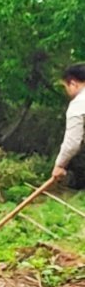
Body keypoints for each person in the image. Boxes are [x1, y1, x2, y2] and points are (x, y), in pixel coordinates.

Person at [58, 63, 85, 191]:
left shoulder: (79, 104)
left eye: (65, 87)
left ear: (73, 83)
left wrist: (60, 165)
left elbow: (72, 143)